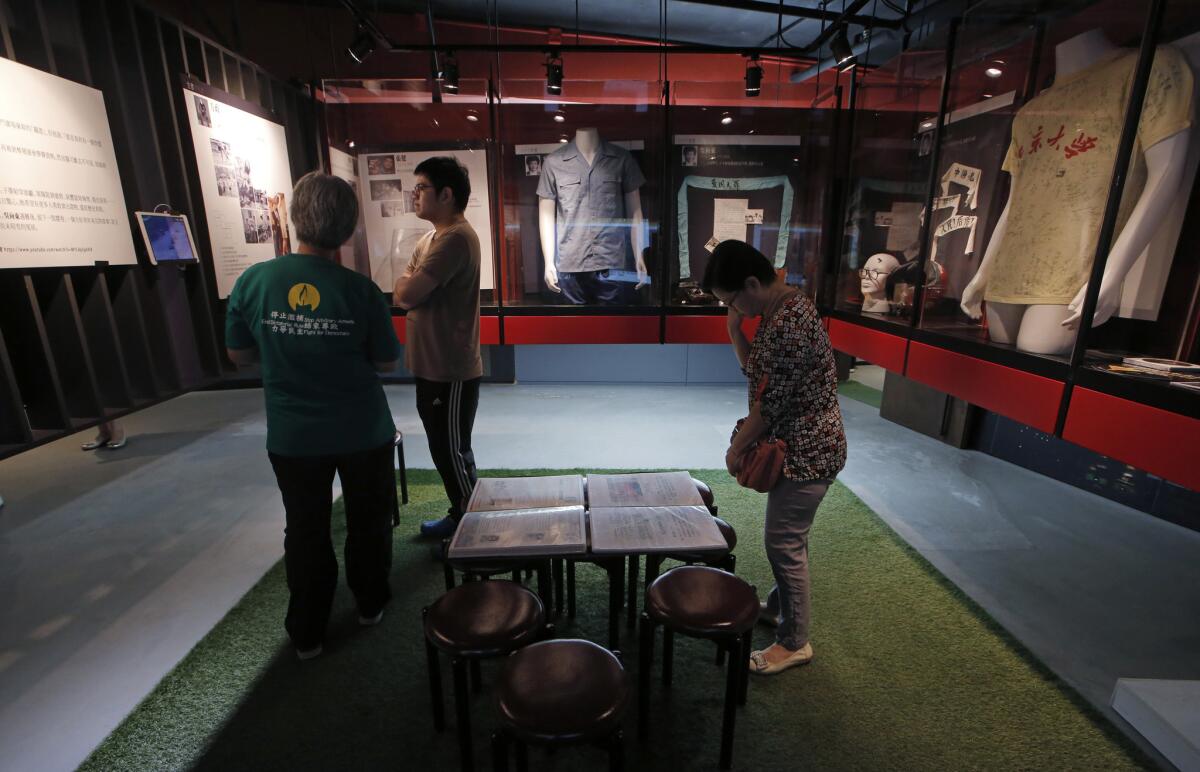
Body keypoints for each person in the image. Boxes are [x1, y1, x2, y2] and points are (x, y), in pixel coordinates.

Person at [225, 171, 401, 660]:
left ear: (293, 216)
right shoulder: (360, 290)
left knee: (305, 527)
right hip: (362, 429)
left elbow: (238, 355)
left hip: (293, 435)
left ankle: (307, 632)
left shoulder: (253, 281)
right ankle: (370, 603)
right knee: (369, 520)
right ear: (348, 227)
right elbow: (387, 362)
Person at [702, 239, 847, 676]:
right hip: (797, 448)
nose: (735, 309)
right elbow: (757, 375)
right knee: (789, 536)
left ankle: (794, 641)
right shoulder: (777, 312)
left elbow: (770, 406)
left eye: (732, 301)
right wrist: (733, 332)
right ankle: (782, 608)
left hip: (808, 451)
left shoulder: (791, 322)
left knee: (783, 542)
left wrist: (735, 448)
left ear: (751, 283)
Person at [393, 157, 482, 540]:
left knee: (451, 451)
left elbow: (407, 292)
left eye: (421, 188)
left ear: (446, 195)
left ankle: (468, 522)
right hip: (431, 367)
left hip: (450, 370)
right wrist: (408, 285)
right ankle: (462, 511)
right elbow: (407, 290)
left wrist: (408, 285)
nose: (414, 195)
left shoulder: (455, 239)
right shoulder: (431, 238)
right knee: (445, 447)